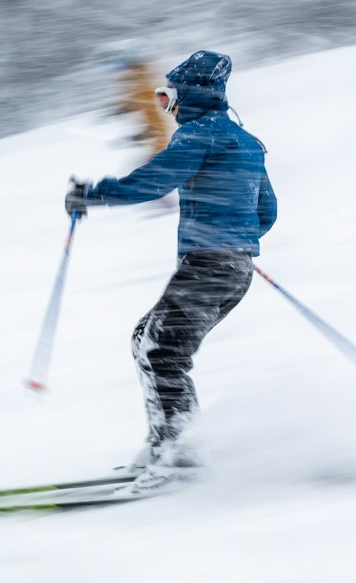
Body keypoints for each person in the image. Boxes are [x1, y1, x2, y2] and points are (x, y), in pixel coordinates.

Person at [65, 50, 277, 495]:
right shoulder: (246, 141)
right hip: (233, 268)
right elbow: (267, 211)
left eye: (167, 97)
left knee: (162, 350)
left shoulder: (197, 137)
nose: (167, 107)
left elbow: (151, 183)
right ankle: (167, 443)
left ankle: (182, 457)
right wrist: (239, 241)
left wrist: (93, 195)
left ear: (190, 96)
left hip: (208, 265)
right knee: (148, 338)